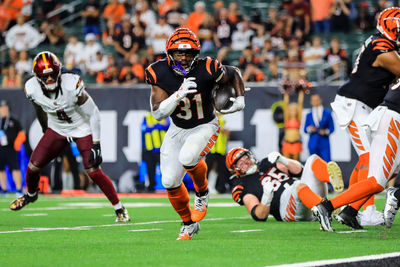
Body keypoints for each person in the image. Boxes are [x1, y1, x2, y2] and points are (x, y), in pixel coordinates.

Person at [145, 28, 245, 240]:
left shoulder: (207, 67)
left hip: (205, 124)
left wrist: (241, 99)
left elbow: (234, 73)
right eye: (179, 53)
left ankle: (202, 192)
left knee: (188, 157)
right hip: (177, 128)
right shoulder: (158, 71)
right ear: (169, 53)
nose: (184, 57)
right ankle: (188, 223)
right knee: (170, 180)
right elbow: (157, 113)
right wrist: (178, 95)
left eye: (189, 53)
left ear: (196, 54)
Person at [9, 51, 130, 223]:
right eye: (45, 76)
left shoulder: (71, 85)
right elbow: (39, 109)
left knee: (93, 171)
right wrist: (45, 129)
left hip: (82, 128)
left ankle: (120, 208)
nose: (50, 79)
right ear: (37, 78)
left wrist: (96, 143)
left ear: (59, 72)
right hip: (57, 128)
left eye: (52, 75)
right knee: (33, 166)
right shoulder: (32, 88)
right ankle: (30, 195)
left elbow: (94, 113)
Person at [313, 7, 400, 230]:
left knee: (368, 159)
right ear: (391, 28)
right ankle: (366, 211)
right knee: (369, 158)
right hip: (354, 103)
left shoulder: (382, 42)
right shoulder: (382, 47)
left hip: (365, 104)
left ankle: (349, 210)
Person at [226, 148, 344, 222]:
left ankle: (332, 182)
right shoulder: (243, 186)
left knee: (312, 159)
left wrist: (283, 160)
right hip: (286, 208)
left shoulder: (266, 163)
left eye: (246, 158)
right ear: (235, 169)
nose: (246, 162)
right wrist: (266, 198)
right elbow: (259, 216)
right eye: (241, 163)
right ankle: (327, 208)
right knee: (298, 186)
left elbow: (299, 171)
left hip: (306, 195)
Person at [0, 100, 26, 195]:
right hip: (1, 149)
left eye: (5, 108)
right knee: (1, 169)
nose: (3, 110)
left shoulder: (13, 120)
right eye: (2, 108)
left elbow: (22, 133)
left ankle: (19, 189)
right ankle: (3, 189)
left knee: (15, 168)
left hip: (11, 148)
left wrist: (17, 142)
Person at [141, 112, 170, 192]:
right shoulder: (147, 117)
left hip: (162, 149)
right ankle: (151, 187)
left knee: (165, 169)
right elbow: (143, 128)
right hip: (150, 149)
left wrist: (153, 126)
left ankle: (168, 186)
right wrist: (158, 126)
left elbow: (168, 126)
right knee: (150, 169)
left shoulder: (164, 116)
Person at [304, 93, 335, 162]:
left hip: (324, 143)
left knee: (326, 163)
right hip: (312, 144)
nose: (315, 102)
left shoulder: (327, 113)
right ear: (311, 102)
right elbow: (305, 129)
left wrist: (325, 131)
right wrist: (310, 129)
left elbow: (332, 128)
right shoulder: (309, 115)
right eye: (313, 100)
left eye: (317, 100)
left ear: (320, 100)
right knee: (314, 164)